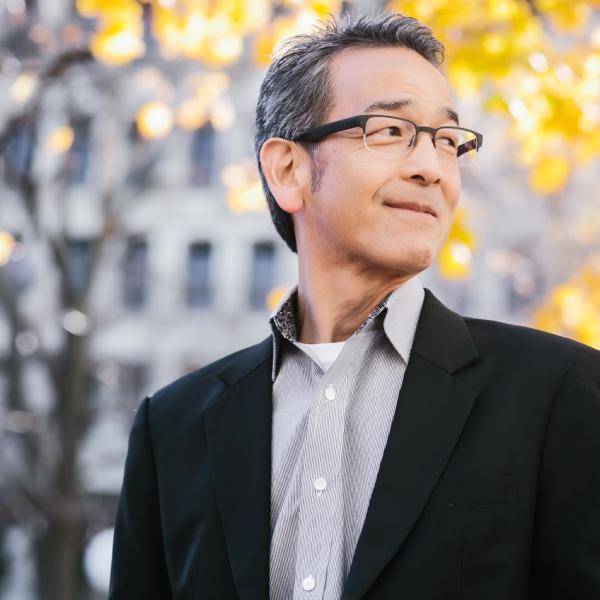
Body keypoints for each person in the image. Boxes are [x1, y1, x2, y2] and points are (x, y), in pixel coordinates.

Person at [109, 10, 600, 600]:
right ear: (288, 169)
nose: (431, 168)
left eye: (448, 140)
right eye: (390, 130)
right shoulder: (172, 430)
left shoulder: (561, 391)